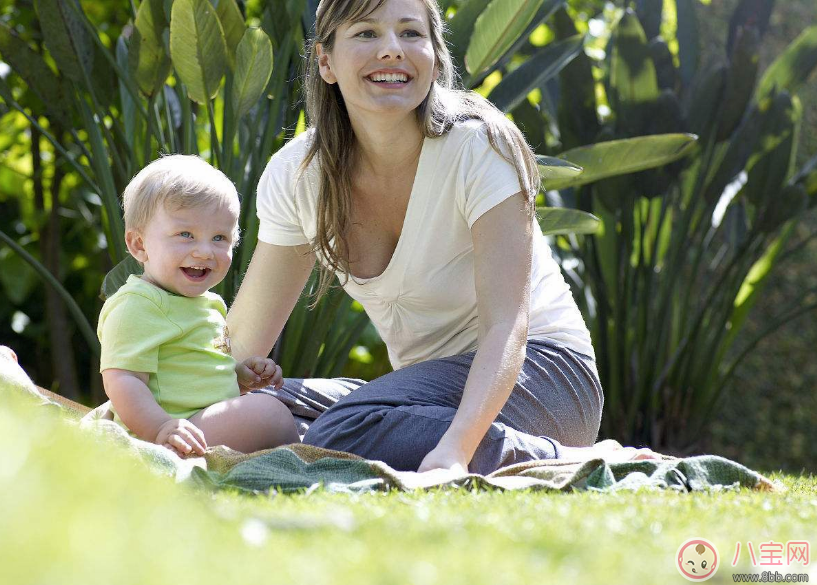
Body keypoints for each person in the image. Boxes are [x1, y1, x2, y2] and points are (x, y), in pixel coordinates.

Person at [227, 0, 653, 474]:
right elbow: (243, 345)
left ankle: (566, 459)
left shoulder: (477, 145)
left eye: (411, 33)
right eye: (366, 33)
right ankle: (386, 433)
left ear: (434, 54)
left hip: (544, 375)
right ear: (325, 62)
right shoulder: (300, 174)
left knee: (342, 429)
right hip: (422, 393)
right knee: (255, 403)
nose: (392, 50)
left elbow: (506, 325)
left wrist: (456, 449)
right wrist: (172, 399)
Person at [97, 155, 300, 457]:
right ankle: (290, 463)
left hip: (199, 421)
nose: (205, 251)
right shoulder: (136, 305)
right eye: (185, 235)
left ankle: (273, 463)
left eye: (219, 238)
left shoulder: (210, 304)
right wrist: (161, 428)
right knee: (271, 415)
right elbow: (122, 380)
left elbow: (200, 373)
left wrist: (241, 377)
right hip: (169, 431)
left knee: (270, 408)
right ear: (139, 244)